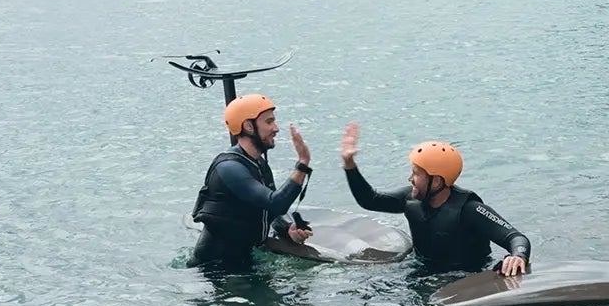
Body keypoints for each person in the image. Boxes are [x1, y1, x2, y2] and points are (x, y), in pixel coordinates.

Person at [340, 122, 529, 275]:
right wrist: (349, 165)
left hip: (468, 277)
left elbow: (516, 238)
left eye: (416, 174)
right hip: (420, 271)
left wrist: (517, 256)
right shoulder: (410, 200)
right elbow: (370, 200)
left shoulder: (469, 209)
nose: (410, 179)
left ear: (436, 181)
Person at [189, 92, 314, 269]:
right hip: (215, 270)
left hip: (245, 261)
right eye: (269, 122)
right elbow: (276, 203)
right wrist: (302, 165)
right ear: (248, 126)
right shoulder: (229, 168)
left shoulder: (258, 164)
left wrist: (288, 230)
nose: (276, 128)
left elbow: (270, 210)